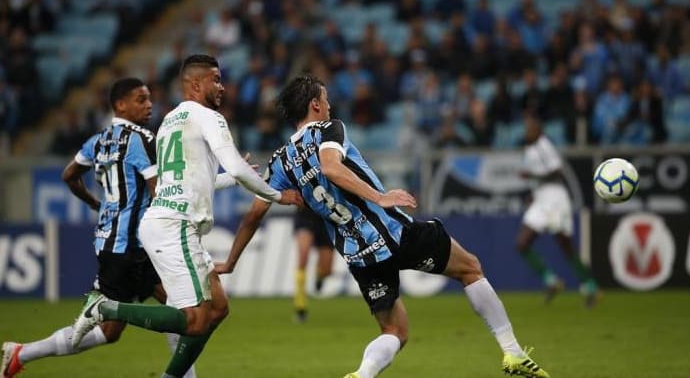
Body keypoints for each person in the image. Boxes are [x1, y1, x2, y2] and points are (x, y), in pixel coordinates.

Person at [215, 75, 550, 378]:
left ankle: (362, 375)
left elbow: (254, 214)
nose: (330, 105)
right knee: (471, 269)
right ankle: (513, 353)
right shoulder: (330, 129)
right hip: (394, 232)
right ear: (315, 105)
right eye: (326, 99)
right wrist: (382, 196)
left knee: (394, 332)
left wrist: (231, 261)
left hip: (359, 255)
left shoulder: (280, 160)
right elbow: (331, 168)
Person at [69, 55, 302, 377]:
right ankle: (105, 307)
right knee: (195, 320)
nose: (222, 87)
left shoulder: (170, 121)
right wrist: (278, 195)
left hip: (165, 222)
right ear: (195, 84)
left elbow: (195, 179)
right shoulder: (210, 118)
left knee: (217, 308)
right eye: (216, 80)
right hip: (174, 225)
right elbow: (233, 164)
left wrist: (236, 177)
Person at [1, 78, 197, 378]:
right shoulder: (141, 138)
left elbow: (70, 175)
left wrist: (97, 205)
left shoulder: (99, 140)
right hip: (134, 247)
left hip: (113, 245)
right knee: (181, 311)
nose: (149, 104)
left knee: (116, 330)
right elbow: (158, 190)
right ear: (120, 104)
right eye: (141, 99)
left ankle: (21, 353)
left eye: (149, 99)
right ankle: (22, 351)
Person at [516, 116, 599, 307]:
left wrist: (531, 175)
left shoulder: (544, 145)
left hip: (555, 198)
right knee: (522, 243)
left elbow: (557, 171)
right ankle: (551, 281)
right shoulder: (529, 149)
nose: (528, 130)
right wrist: (532, 194)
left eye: (531, 127)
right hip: (541, 199)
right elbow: (538, 178)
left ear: (539, 129)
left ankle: (590, 286)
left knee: (565, 244)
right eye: (527, 127)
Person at [293, 206, 335, 322]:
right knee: (303, 255)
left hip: (326, 218)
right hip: (305, 215)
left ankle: (319, 276)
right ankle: (300, 306)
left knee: (327, 270)